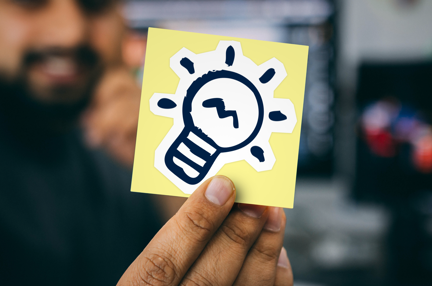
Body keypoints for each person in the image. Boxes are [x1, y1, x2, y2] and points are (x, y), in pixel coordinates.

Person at [0, 0, 293, 285]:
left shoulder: (128, 151)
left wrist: (175, 184)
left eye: (96, 4)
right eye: (29, 2)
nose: (71, 32)